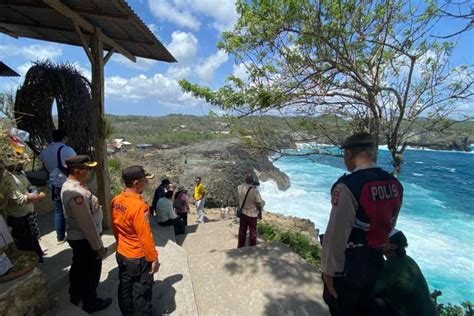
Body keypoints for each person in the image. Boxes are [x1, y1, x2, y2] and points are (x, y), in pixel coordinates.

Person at [321, 133, 404, 316]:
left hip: (349, 268)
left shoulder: (348, 186)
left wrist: (329, 273)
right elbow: (388, 226)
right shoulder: (394, 184)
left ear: (349, 154)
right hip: (375, 264)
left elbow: (337, 235)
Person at [61, 155, 112, 313]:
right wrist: (98, 247)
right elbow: (86, 224)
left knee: (79, 267)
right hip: (85, 239)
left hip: (78, 238)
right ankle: (90, 302)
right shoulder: (77, 194)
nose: (90, 171)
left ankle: (75, 295)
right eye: (88, 168)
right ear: (77, 171)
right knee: (91, 271)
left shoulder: (72, 186)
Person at [111, 165, 160, 316]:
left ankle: (127, 312)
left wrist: (121, 245)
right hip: (138, 257)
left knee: (125, 287)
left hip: (122, 253)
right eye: (145, 180)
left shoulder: (116, 200)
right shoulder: (139, 207)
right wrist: (154, 258)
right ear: (136, 182)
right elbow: (145, 236)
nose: (147, 182)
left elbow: (115, 228)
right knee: (141, 292)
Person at [374, 229, 437, 316]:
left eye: (383, 239)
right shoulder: (408, 260)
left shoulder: (391, 265)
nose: (379, 241)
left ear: (393, 246)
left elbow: (372, 290)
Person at [3, 155, 45, 262]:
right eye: (20, 162)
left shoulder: (19, 172)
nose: (23, 164)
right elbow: (18, 200)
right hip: (18, 220)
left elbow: (29, 187)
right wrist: (37, 197)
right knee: (27, 249)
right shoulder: (7, 177)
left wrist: (33, 193)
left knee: (34, 244)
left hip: (28, 215)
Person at [40, 129, 76, 244]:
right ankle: (75, 232)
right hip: (68, 183)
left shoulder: (44, 152)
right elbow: (75, 164)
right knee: (74, 208)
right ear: (65, 138)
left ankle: (60, 237)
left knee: (58, 210)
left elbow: (45, 167)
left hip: (54, 183)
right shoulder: (67, 150)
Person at [237, 173, 263, 248]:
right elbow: (258, 204)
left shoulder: (239, 187)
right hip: (252, 214)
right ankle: (252, 247)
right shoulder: (255, 191)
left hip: (242, 213)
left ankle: (240, 246)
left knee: (242, 231)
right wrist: (260, 214)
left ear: (245, 180)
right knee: (253, 232)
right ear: (253, 181)